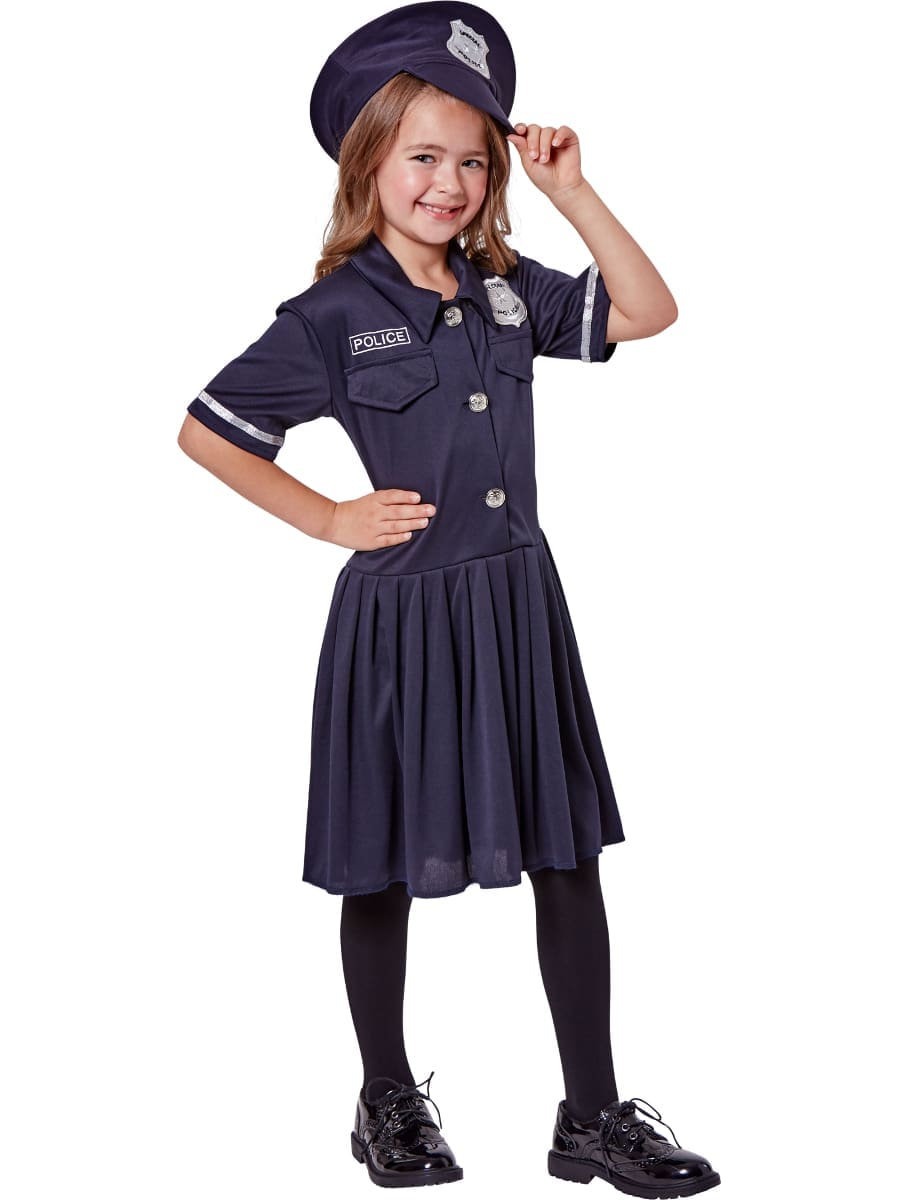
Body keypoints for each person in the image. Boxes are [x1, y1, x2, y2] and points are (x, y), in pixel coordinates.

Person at [177, 2, 720, 1193]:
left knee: (566, 853)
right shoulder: (329, 317)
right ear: (368, 161)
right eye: (423, 155)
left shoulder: (507, 290)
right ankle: (386, 1099)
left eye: (473, 161)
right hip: (402, 623)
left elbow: (648, 310)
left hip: (519, 611)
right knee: (378, 861)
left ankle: (592, 1113)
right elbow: (208, 430)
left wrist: (572, 191)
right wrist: (328, 518)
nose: (451, 183)